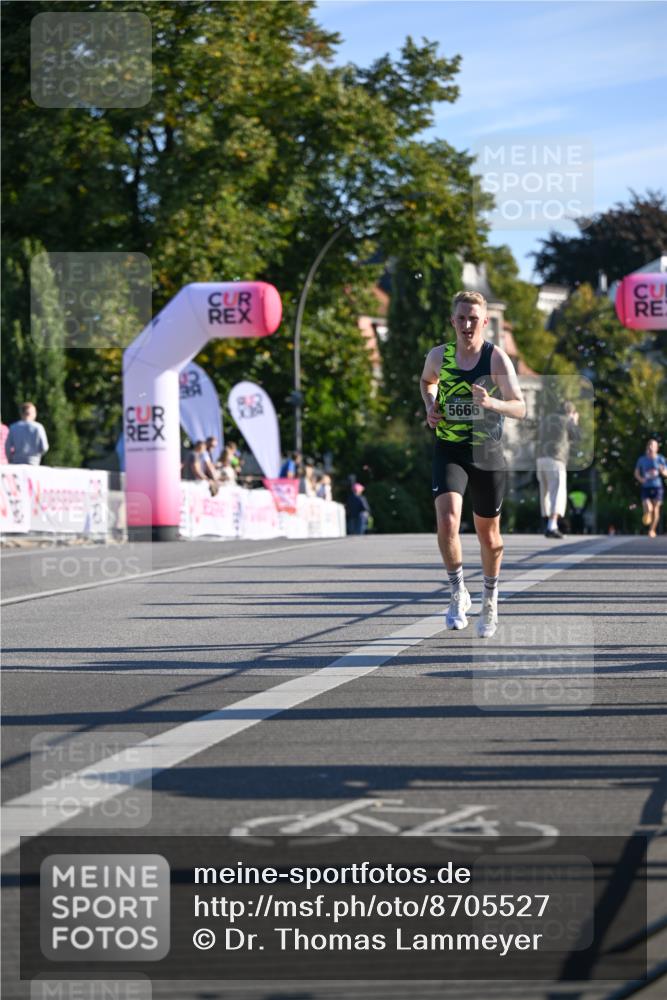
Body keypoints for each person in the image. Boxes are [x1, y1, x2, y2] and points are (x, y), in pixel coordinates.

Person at [420, 290, 526, 639]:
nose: (467, 324)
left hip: (486, 453)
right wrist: (430, 405)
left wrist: (493, 404)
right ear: (453, 321)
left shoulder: (495, 359)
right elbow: (427, 382)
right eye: (461, 318)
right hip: (449, 449)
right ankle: (457, 594)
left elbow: (520, 407)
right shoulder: (439, 356)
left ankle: (491, 598)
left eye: (473, 319)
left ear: (484, 322)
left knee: (489, 537)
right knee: (447, 521)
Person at [536, 399, 580, 538]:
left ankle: (547, 524)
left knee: (545, 493)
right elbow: (577, 437)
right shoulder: (566, 420)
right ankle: (552, 526)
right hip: (556, 459)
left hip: (540, 459)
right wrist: (574, 421)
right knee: (557, 492)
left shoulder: (546, 419)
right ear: (570, 412)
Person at [634, 438, 667, 538]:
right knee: (649, 507)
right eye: (650, 445)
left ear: (657, 448)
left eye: (653, 445)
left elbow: (666, 473)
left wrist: (662, 471)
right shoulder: (642, 459)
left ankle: (652, 530)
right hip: (646, 487)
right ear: (647, 447)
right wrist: (641, 479)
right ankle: (647, 514)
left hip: (657, 487)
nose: (651, 447)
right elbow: (636, 473)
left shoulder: (660, 459)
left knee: (656, 509)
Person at [6, 401, 49, 465]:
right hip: (33, 462)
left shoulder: (13, 427)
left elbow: (7, 447)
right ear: (33, 413)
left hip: (16, 462)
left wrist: (10, 459)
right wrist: (36, 456)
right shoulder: (38, 427)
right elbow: (44, 447)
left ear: (21, 413)